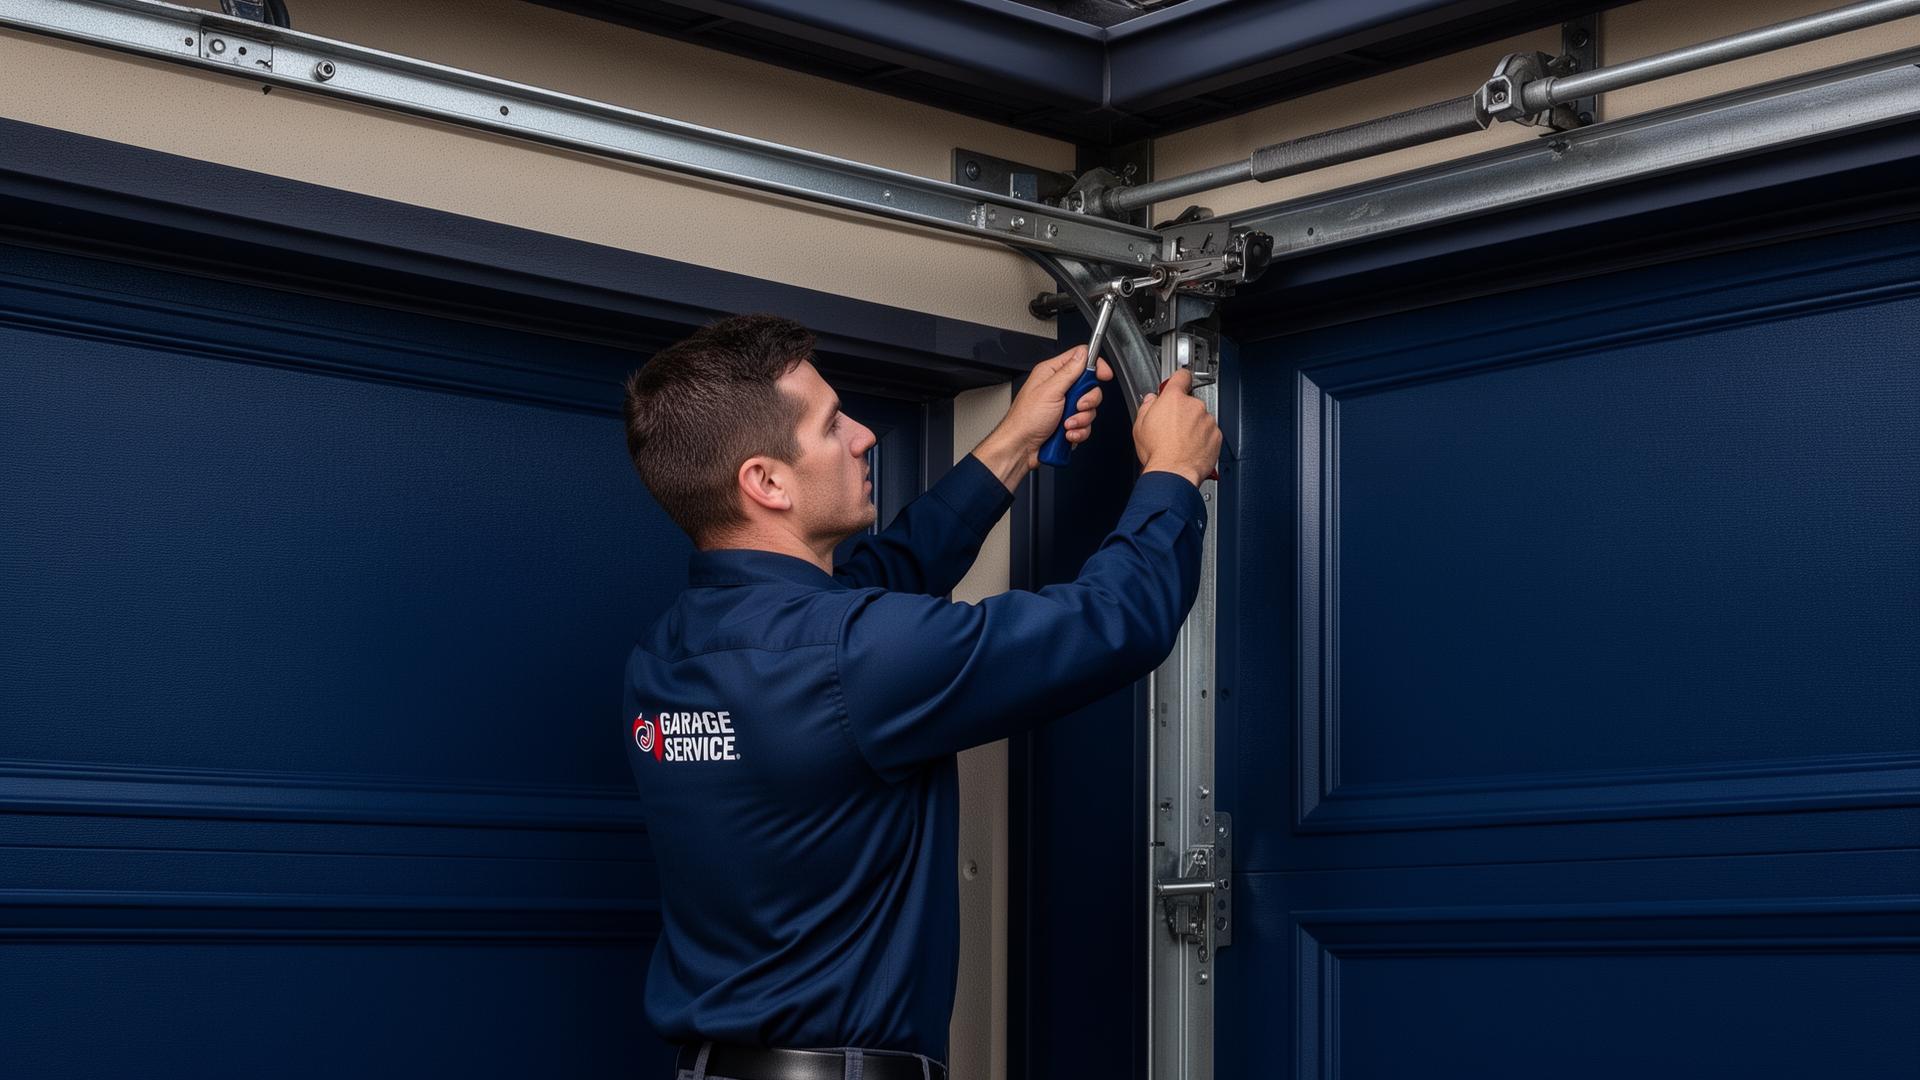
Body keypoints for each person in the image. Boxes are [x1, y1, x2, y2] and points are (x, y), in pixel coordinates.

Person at [621, 313, 1221, 1080]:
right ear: (765, 481)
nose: (864, 435)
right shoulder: (850, 656)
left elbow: (883, 582)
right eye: (833, 424)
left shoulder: (668, 652)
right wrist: (1171, 471)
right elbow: (1113, 624)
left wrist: (1011, 441)